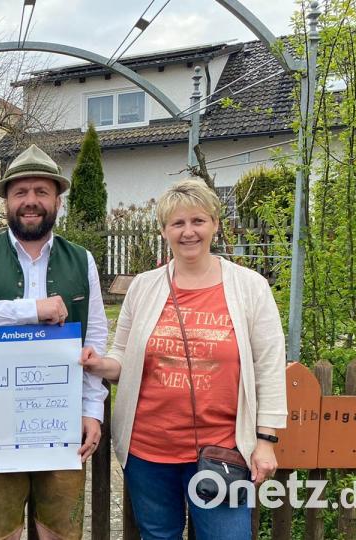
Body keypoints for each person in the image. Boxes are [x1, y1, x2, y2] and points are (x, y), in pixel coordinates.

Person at [80, 178, 287, 539]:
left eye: (198, 221)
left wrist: (266, 441)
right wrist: (99, 364)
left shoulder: (249, 287)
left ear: (215, 224)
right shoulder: (144, 287)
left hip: (222, 450)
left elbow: (269, 365)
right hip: (148, 451)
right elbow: (123, 357)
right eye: (177, 223)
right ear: (164, 230)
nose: (188, 232)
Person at [0, 144, 109, 540]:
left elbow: (95, 337)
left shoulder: (81, 258)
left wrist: (92, 410)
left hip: (61, 418)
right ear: (6, 201)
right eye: (20, 192)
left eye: (41, 191)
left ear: (57, 200)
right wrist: (31, 310)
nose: (30, 201)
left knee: (60, 531)